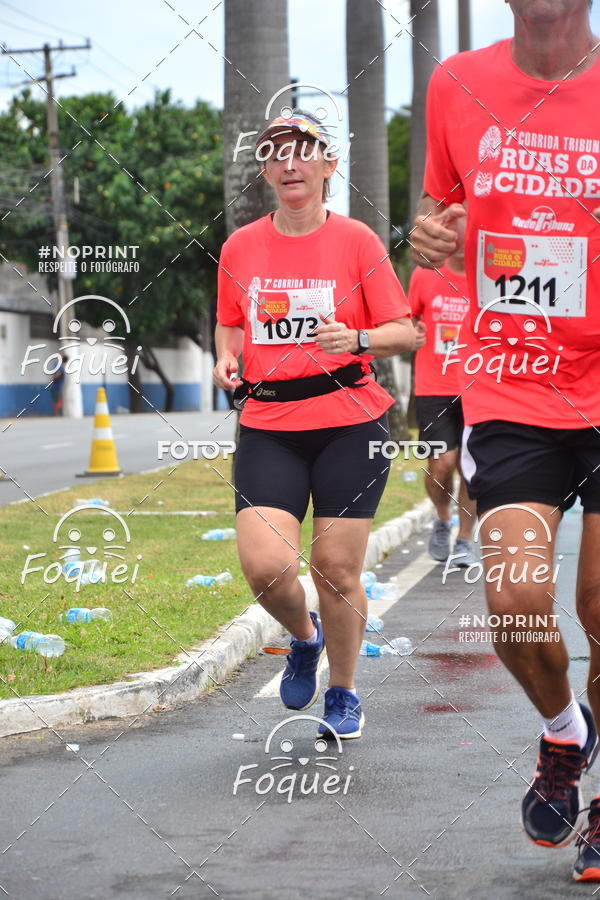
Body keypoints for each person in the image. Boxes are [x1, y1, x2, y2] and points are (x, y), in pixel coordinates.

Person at [411, 0, 600, 881]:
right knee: (518, 605)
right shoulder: (459, 85)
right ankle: (565, 731)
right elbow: (437, 218)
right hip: (513, 381)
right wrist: (431, 235)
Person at [214, 110, 415, 739]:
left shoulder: (357, 241)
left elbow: (404, 331)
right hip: (270, 419)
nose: (290, 164)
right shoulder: (241, 246)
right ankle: (305, 636)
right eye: (276, 154)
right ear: (267, 170)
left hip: (350, 421)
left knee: (336, 567)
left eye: (303, 152)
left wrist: (354, 336)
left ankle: (345, 692)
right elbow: (229, 320)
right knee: (266, 567)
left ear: (329, 165)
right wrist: (225, 354)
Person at [409, 223, 477, 567]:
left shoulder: (488, 275)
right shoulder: (426, 274)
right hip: (433, 386)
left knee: (470, 467)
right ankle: (442, 517)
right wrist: (413, 330)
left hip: (480, 387)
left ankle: (465, 538)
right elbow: (407, 320)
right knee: (442, 464)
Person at [50, 351, 67, 416]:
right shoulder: (58, 364)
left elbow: (58, 374)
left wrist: (52, 380)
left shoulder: (60, 365)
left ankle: (56, 414)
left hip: (58, 386)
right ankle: (56, 414)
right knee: (55, 400)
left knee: (57, 400)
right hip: (56, 386)